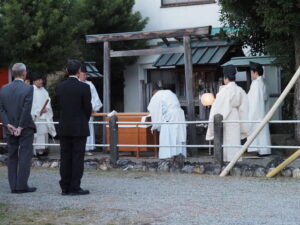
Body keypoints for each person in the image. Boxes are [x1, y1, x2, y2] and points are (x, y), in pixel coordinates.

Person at [56, 59, 92, 195]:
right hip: (79, 127)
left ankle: (64, 186)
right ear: (78, 71)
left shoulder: (60, 87)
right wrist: (83, 120)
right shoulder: (84, 87)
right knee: (77, 157)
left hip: (64, 126)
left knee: (65, 157)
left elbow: (59, 107)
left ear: (66, 71)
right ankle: (74, 187)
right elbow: (87, 109)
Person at [0, 63, 36, 193]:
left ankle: (13, 186)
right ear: (24, 73)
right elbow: (26, 109)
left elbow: (1, 109)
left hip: (9, 127)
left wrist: (8, 124)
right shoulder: (28, 88)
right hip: (25, 127)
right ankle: (21, 186)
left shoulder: (4, 88)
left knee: (12, 155)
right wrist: (20, 126)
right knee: (25, 155)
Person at [206, 65, 249, 162]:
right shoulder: (240, 90)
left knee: (227, 140)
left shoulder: (224, 92)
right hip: (236, 116)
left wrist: (211, 128)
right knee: (234, 140)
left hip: (227, 118)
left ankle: (226, 161)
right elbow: (244, 110)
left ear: (225, 78)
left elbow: (216, 109)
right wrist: (243, 127)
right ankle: (235, 160)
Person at [147, 84, 186, 159]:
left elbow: (154, 110)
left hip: (170, 117)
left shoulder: (157, 95)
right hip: (179, 116)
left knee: (168, 138)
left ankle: (167, 157)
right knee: (178, 137)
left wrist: (155, 125)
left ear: (154, 91)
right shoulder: (170, 92)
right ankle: (180, 156)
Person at [247, 61, 271, 155]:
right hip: (262, 112)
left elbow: (254, 102)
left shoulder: (256, 84)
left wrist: (250, 115)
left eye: (251, 72)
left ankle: (260, 151)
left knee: (258, 131)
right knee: (263, 132)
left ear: (255, 72)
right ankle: (264, 150)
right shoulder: (263, 82)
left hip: (256, 112)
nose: (251, 74)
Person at [31, 72, 56, 156]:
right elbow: (31, 105)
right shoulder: (31, 90)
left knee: (44, 134)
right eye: (39, 80)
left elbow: (48, 100)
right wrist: (38, 112)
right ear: (34, 81)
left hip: (44, 117)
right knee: (37, 134)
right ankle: (36, 151)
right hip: (36, 117)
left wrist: (46, 108)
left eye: (41, 79)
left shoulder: (44, 90)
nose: (41, 81)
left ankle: (42, 151)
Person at [78, 65, 102, 156]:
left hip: (88, 111)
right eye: (83, 74)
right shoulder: (76, 84)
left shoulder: (90, 85)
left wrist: (94, 109)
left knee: (88, 129)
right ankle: (80, 148)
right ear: (78, 74)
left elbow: (95, 98)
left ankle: (88, 148)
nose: (85, 76)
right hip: (79, 112)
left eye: (86, 75)